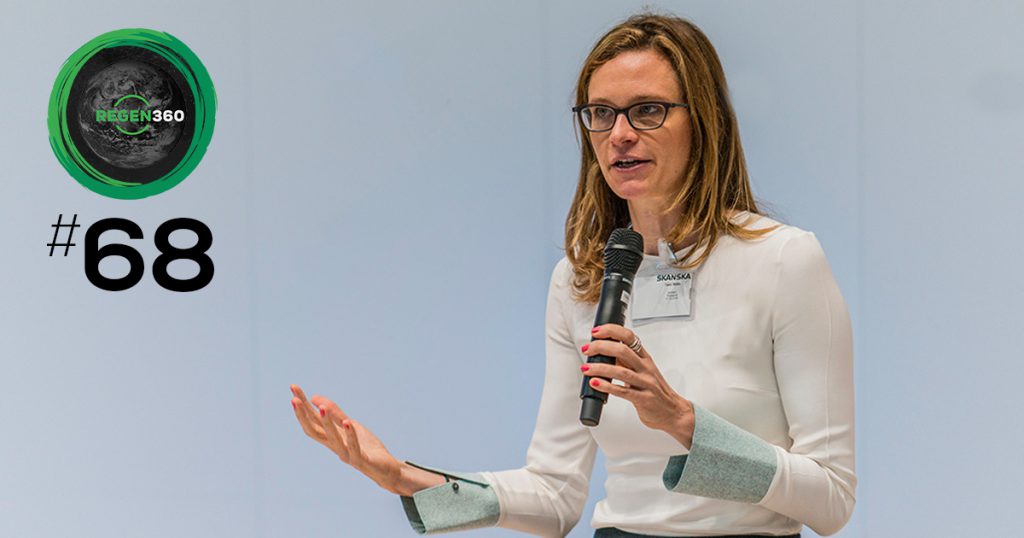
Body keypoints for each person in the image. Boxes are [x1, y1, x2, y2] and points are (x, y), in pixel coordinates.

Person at [290, 12, 855, 538]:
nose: (620, 134)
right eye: (601, 113)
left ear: (703, 121)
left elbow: (832, 499)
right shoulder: (580, 280)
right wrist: (402, 478)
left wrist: (683, 422)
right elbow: (554, 494)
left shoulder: (782, 260)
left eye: (647, 110)